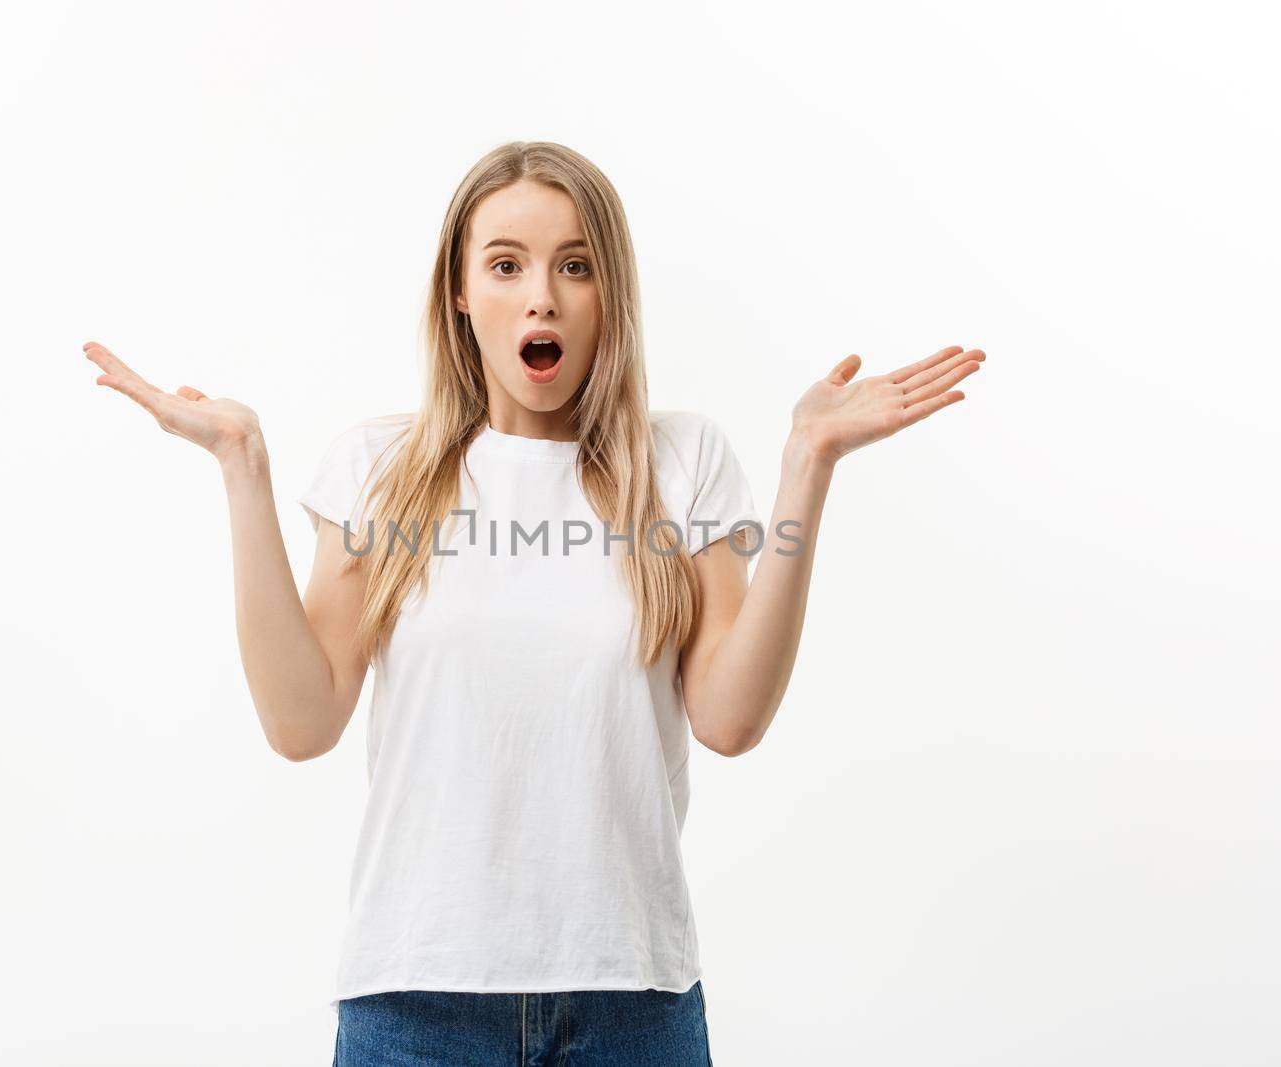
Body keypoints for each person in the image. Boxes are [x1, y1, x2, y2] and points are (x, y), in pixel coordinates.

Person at [84, 140, 984, 1066]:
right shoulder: (377, 472)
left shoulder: (684, 463)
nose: (542, 296)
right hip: (415, 1005)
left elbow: (730, 717)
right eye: (506, 265)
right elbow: (301, 720)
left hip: (632, 1005)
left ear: (609, 297)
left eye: (576, 265)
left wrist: (808, 466)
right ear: (461, 293)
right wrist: (243, 466)